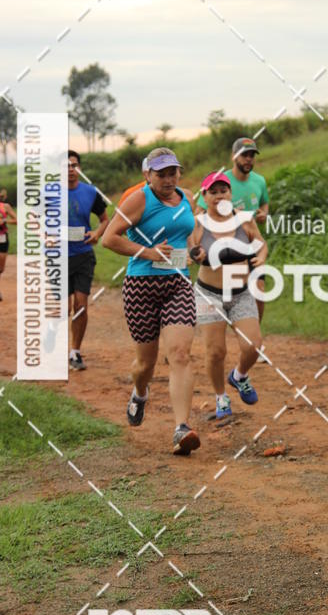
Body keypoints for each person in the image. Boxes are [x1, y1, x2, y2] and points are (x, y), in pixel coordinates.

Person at [102, 147, 200, 456]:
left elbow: (188, 232)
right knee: (146, 363)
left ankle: (181, 428)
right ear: (148, 174)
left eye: (173, 172)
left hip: (178, 283)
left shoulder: (186, 197)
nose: (169, 179)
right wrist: (148, 252)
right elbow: (109, 238)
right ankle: (140, 392)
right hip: (141, 286)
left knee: (180, 354)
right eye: (161, 174)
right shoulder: (138, 200)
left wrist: (194, 251)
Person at [191, 171, 267, 419]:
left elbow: (261, 243)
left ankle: (239, 375)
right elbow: (188, 251)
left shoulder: (244, 219)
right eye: (213, 192)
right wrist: (196, 254)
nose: (219, 196)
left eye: (223, 191)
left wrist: (261, 257)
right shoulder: (198, 223)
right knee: (215, 351)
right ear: (204, 197)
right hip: (208, 295)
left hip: (241, 293)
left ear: (230, 194)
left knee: (253, 345)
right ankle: (221, 397)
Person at [67, 150, 109, 370]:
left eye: (74, 165)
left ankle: (75, 351)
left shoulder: (91, 192)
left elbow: (105, 219)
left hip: (83, 255)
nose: (70, 169)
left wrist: (97, 233)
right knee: (62, 308)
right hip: (57, 257)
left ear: (79, 168)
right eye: (65, 166)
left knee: (80, 305)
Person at [0, 192, 17, 302]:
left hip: (2, 238)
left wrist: (4, 220)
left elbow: (16, 220)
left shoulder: (5, 206)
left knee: (1, 268)